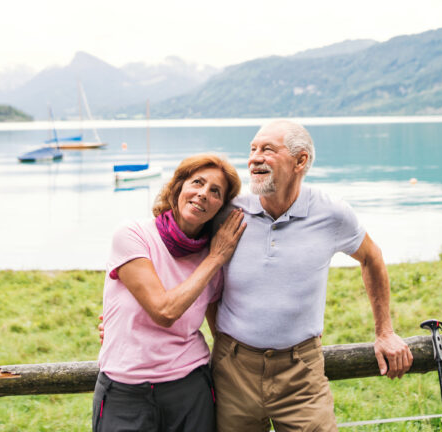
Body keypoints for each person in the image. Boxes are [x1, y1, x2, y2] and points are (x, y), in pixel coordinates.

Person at [210, 120, 412, 432]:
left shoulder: (331, 213)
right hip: (233, 370)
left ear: (300, 160)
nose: (254, 158)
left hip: (301, 374)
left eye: (267, 149)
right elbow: (180, 256)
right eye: (252, 149)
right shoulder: (228, 209)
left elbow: (372, 257)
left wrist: (384, 331)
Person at [94, 154, 247, 432]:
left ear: (220, 207)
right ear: (178, 186)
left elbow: (220, 330)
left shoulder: (213, 260)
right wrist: (215, 259)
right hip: (125, 390)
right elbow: (164, 311)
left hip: (190, 389)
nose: (203, 194)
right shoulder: (132, 235)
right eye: (197, 182)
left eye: (215, 192)